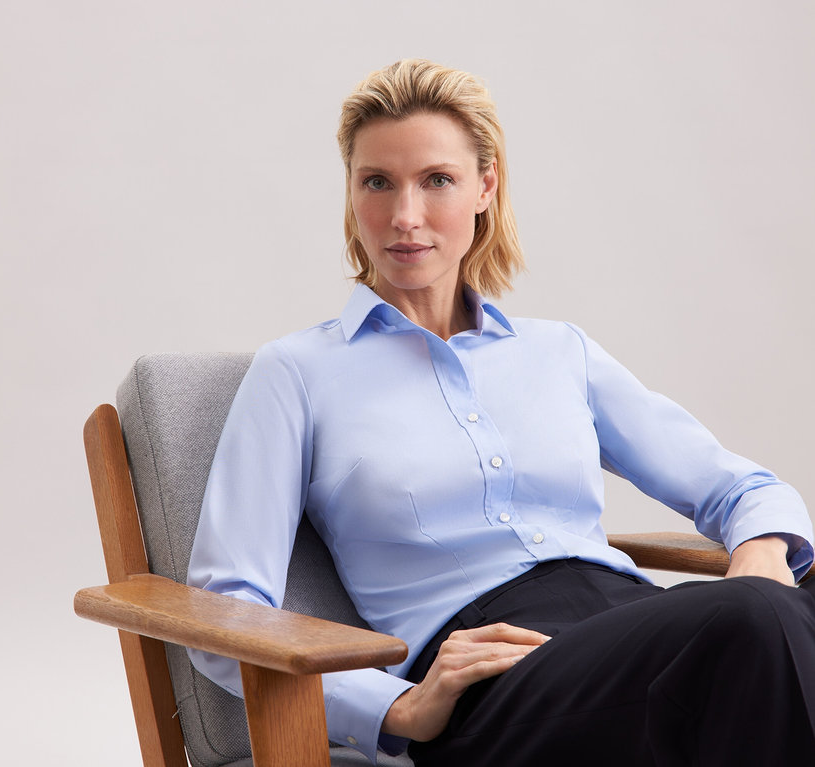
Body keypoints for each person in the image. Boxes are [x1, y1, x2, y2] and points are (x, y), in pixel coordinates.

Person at [188, 59, 815, 765]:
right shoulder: (297, 373)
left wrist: (761, 554)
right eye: (377, 182)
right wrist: (397, 705)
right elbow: (222, 612)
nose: (404, 216)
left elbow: (744, 488)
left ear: (486, 186)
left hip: (643, 629)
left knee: (766, 611)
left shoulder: (559, 352)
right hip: (496, 681)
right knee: (757, 624)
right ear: (351, 191)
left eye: (437, 180)